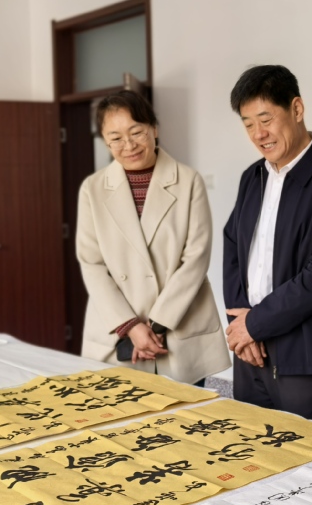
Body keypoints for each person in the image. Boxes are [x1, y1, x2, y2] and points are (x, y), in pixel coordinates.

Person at [223, 65, 312, 426]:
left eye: (266, 119)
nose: (259, 134)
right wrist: (241, 324)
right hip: (250, 353)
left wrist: (255, 324)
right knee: (251, 449)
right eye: (248, 124)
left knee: (310, 455)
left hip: (306, 358)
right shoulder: (252, 177)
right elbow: (233, 246)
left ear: (297, 109)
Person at [76, 90, 229, 385]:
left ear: (154, 129)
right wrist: (132, 327)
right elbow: (91, 263)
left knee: (186, 411)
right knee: (119, 411)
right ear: (105, 141)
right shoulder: (92, 189)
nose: (129, 145)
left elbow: (196, 258)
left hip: (177, 327)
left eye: (136, 132)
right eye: (116, 138)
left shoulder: (188, 181)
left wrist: (156, 325)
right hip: (118, 332)